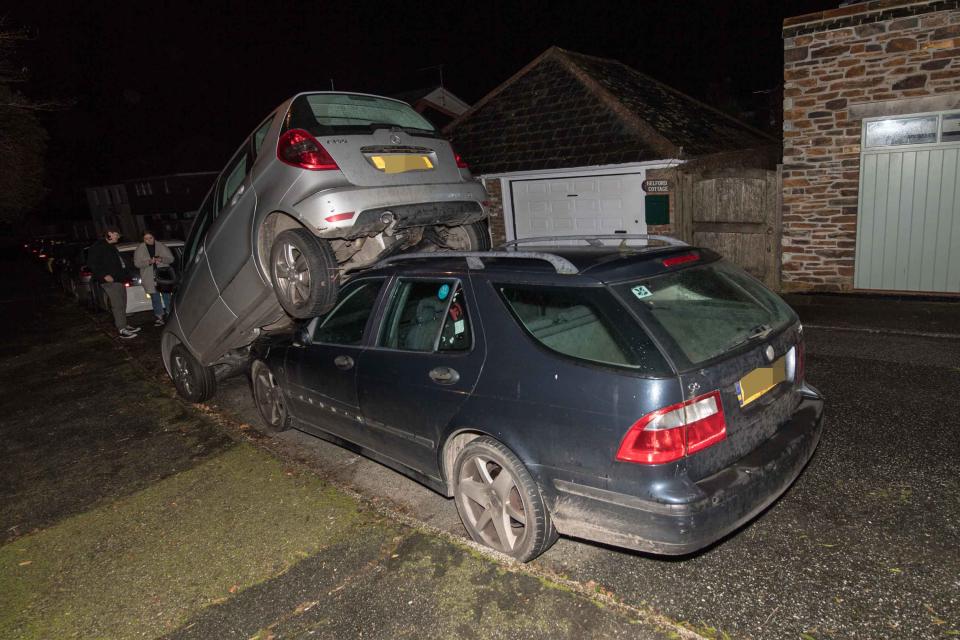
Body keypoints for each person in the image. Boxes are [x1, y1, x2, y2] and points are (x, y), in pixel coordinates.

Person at [88, 227, 140, 339]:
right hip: (110, 281)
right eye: (116, 234)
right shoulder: (98, 247)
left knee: (123, 303)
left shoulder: (111, 247)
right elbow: (92, 264)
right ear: (109, 234)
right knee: (117, 305)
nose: (118, 237)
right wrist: (104, 275)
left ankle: (124, 325)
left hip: (119, 279)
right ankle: (121, 329)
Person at [134, 231, 174, 326]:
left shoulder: (161, 246)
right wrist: (149, 262)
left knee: (167, 296)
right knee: (155, 298)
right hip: (149, 277)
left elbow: (171, 259)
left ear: (154, 237)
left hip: (163, 275)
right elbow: (137, 263)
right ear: (143, 239)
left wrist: (161, 259)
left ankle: (170, 315)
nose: (149, 240)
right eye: (146, 239)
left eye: (150, 238)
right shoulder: (140, 249)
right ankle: (159, 318)